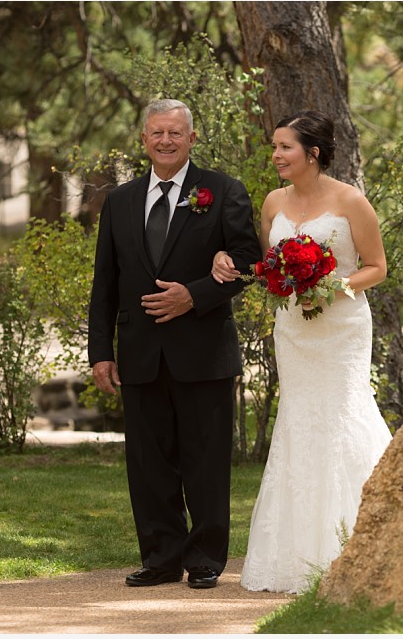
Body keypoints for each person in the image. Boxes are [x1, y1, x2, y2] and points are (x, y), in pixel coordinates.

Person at [212, 110, 393, 593]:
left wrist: (335, 285)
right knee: (299, 421)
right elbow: (261, 263)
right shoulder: (273, 202)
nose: (275, 155)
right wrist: (227, 260)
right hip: (292, 327)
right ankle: (297, 553)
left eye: (285, 147)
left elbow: (377, 267)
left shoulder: (351, 201)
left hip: (341, 326)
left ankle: (365, 541)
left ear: (313, 153)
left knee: (343, 415)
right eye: (275, 147)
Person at [88, 99, 262, 589]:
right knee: (148, 463)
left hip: (204, 351)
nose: (166, 141)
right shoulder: (120, 200)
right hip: (140, 352)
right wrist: (100, 351)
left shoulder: (222, 190)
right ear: (143, 138)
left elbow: (249, 260)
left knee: (205, 461)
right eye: (157, 133)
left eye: (175, 133)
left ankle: (205, 559)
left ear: (191, 138)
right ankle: (161, 556)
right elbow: (105, 281)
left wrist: (196, 296)